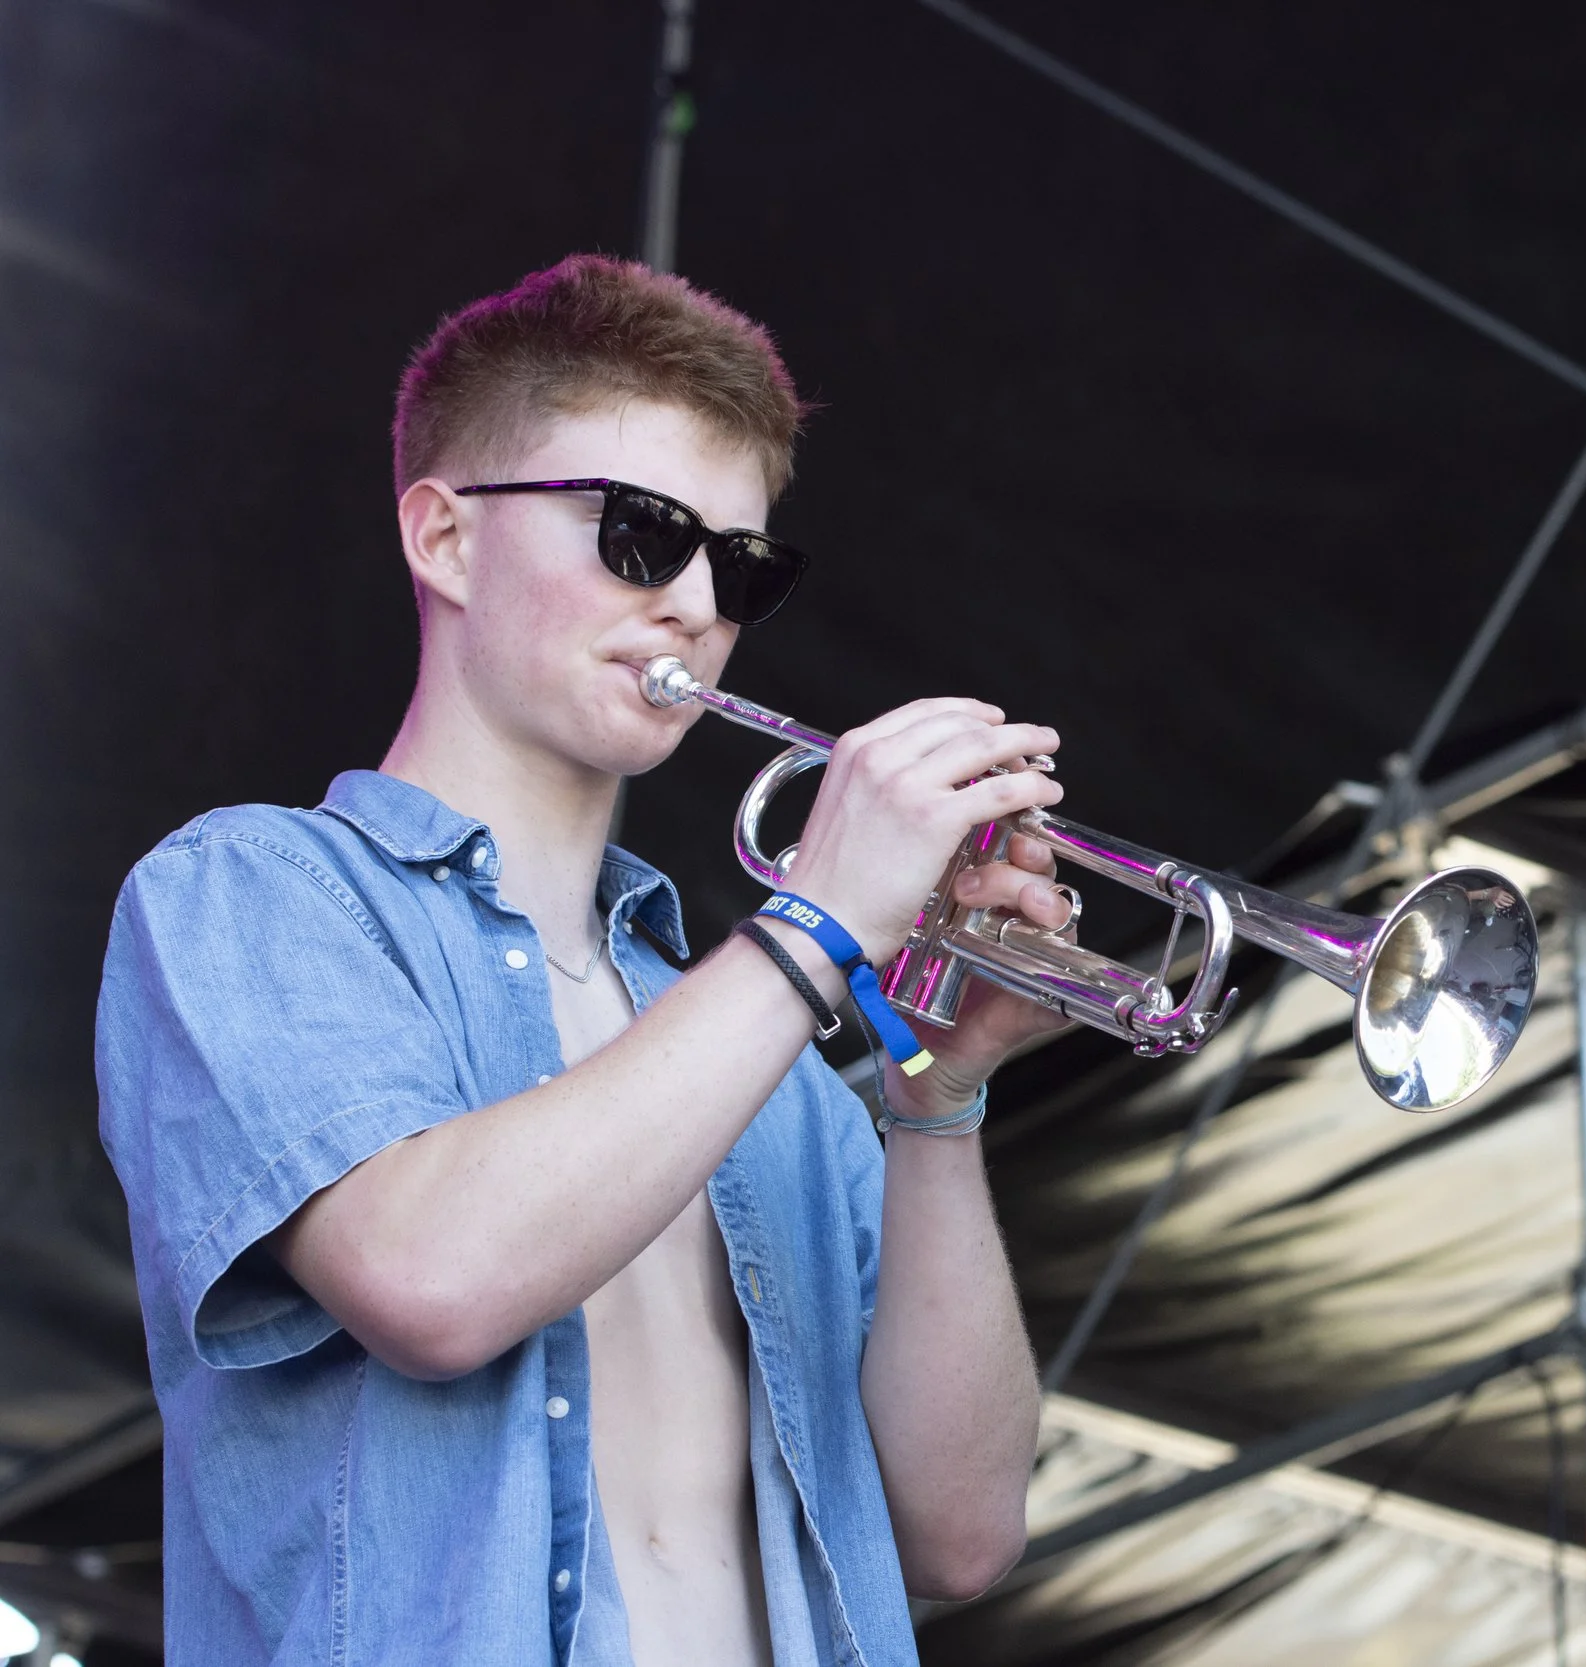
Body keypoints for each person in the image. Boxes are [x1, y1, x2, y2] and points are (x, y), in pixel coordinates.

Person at [95, 254, 1072, 1665]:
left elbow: (960, 1532)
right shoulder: (249, 894)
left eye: (740, 566)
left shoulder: (766, 1059)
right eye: (641, 533)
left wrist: (940, 1099)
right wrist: (817, 921)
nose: (697, 605)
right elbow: (431, 1282)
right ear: (446, 538)